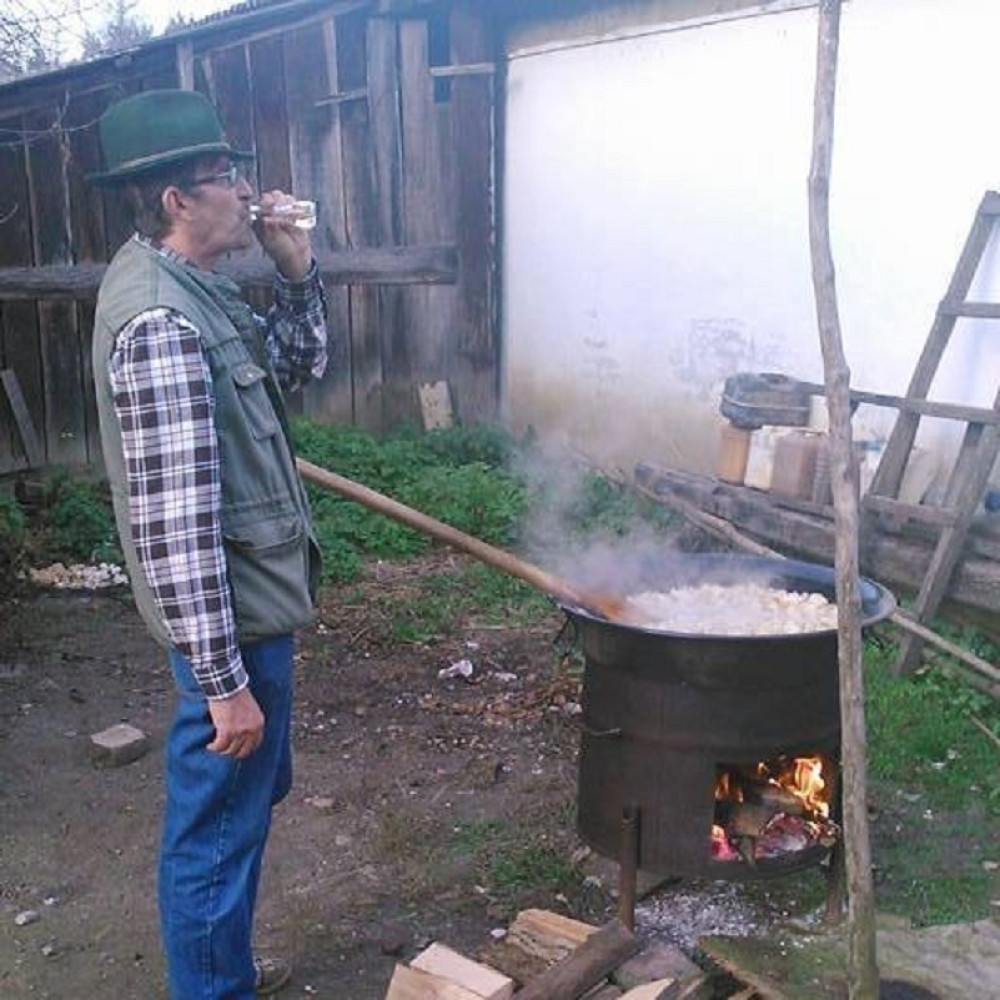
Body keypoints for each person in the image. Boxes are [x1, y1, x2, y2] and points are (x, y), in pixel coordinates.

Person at [89, 88, 328, 999]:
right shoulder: (158, 320)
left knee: (240, 810)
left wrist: (297, 269)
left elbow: (297, 368)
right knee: (215, 831)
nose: (247, 187)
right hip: (229, 621)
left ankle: (221, 969)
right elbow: (175, 527)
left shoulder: (200, 289)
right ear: (175, 201)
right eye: (225, 175)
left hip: (256, 608)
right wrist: (223, 684)